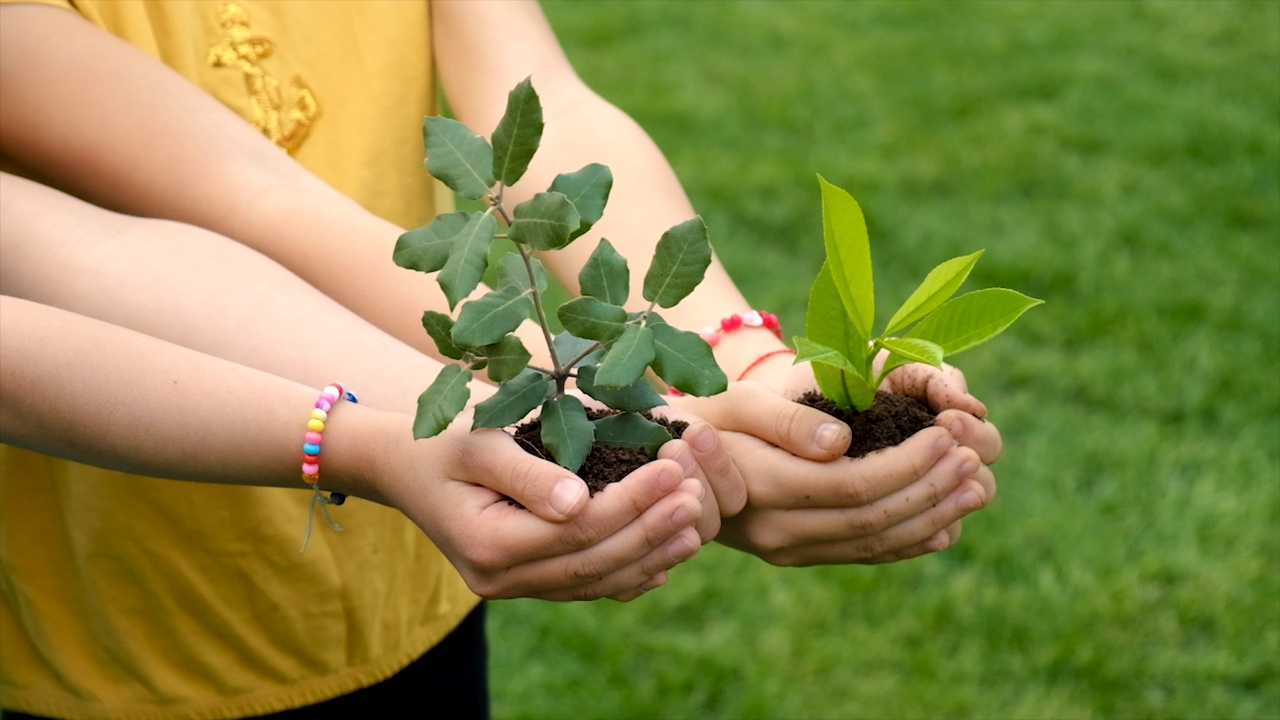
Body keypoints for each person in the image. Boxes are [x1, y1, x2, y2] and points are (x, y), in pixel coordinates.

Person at [0, 1, 1001, 717]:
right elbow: (212, 211)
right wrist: (629, 425)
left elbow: (541, 108)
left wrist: (739, 356)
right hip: (131, 638)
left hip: (410, 584)